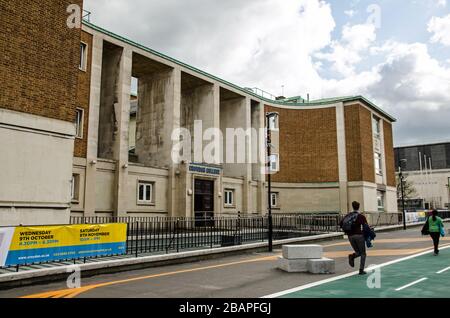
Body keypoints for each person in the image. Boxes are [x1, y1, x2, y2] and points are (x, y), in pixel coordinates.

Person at [340, 201, 370, 275]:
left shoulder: (348, 216)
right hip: (359, 236)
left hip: (350, 236)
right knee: (363, 253)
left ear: (352, 207)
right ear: (358, 207)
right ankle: (361, 270)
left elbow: (341, 224)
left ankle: (352, 256)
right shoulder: (361, 216)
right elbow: (366, 227)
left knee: (358, 252)